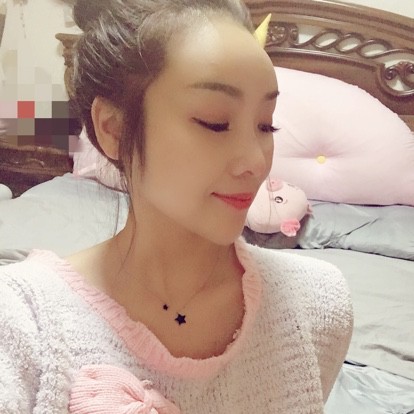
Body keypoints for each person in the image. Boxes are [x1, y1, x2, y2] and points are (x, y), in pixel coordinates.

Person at [0, 0, 353, 412]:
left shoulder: (317, 306)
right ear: (114, 129)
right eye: (215, 122)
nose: (256, 161)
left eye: (265, 124)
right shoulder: (23, 322)